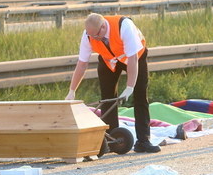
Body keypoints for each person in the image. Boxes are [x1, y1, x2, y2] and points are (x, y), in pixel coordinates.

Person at [65, 13, 160, 153]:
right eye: (91, 36)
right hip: (110, 61)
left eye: (97, 35)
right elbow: (82, 64)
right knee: (107, 98)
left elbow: (132, 58)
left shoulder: (124, 26)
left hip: (134, 58)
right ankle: (112, 140)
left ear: (103, 27)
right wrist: (72, 90)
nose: (94, 39)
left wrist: (130, 86)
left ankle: (143, 141)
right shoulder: (88, 35)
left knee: (140, 96)